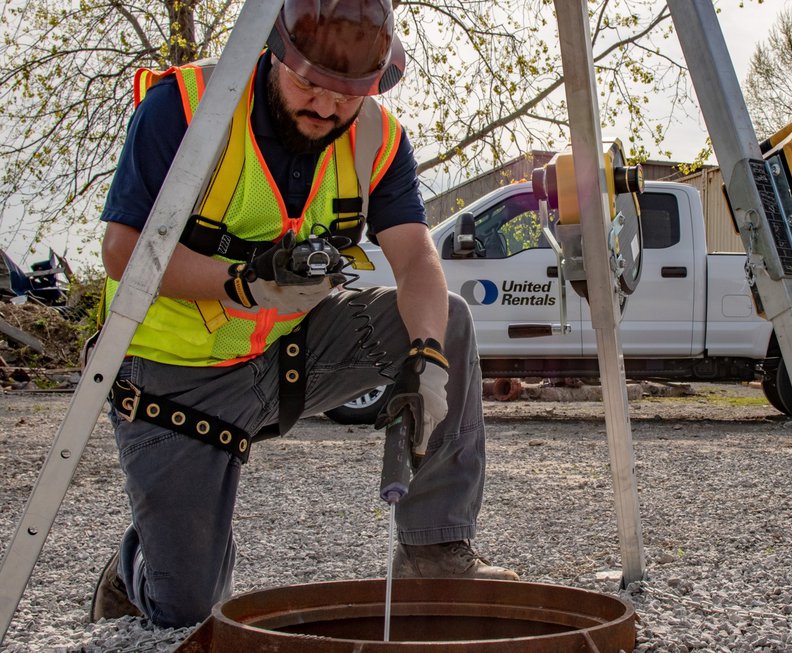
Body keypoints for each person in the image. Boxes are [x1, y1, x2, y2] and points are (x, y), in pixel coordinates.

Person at [91, 0, 516, 628]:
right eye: (309, 84)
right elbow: (122, 252)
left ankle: (434, 551)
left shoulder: (377, 137)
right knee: (186, 612)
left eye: (346, 96)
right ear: (273, 52)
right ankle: (135, 573)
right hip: (176, 380)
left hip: (289, 353)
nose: (325, 107)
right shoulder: (187, 107)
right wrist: (241, 286)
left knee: (443, 321)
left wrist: (426, 360)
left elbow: (418, 262)